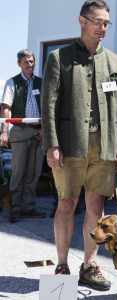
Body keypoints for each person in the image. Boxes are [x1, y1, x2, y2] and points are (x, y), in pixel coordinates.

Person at [41, 0, 117, 291]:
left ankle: (89, 266)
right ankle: (62, 266)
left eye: (106, 23)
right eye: (97, 22)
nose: (102, 28)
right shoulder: (60, 57)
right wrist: (52, 144)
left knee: (96, 206)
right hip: (70, 146)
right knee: (66, 204)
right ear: (82, 21)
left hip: (105, 149)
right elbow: (49, 105)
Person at [0, 49, 45, 222]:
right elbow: (5, 108)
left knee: (34, 172)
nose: (30, 65)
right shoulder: (12, 82)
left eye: (32, 61)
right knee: (18, 172)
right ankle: (15, 207)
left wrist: (44, 129)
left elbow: (48, 108)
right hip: (19, 131)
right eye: (26, 62)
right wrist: (5, 131)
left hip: (39, 131)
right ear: (19, 63)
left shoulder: (41, 83)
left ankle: (29, 206)